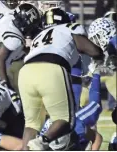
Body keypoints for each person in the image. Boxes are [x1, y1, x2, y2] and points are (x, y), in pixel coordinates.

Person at [18, 7, 104, 150]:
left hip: (25, 72)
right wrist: (99, 56)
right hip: (52, 68)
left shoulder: (40, 36)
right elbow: (92, 50)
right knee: (66, 120)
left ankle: (26, 149)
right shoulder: (68, 27)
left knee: (31, 124)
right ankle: (42, 141)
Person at [0, 3, 41, 92]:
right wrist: (6, 84)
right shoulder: (13, 39)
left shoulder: (7, 18)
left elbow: (19, 50)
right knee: (12, 100)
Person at [40, 70, 103, 150]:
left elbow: (97, 137)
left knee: (96, 106)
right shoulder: (40, 142)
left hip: (72, 121)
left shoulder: (78, 127)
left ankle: (96, 71)